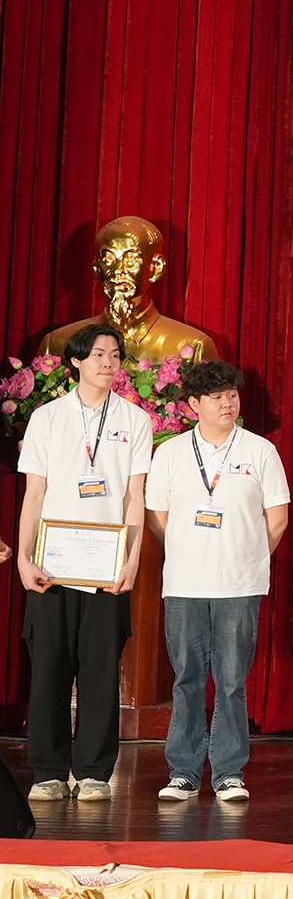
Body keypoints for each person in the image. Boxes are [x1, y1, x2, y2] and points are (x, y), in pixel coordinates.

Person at [10, 325, 149, 801]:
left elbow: (135, 496)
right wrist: (24, 558)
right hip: (52, 564)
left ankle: (93, 772)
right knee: (48, 667)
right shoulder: (47, 418)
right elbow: (34, 494)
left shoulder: (135, 419)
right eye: (98, 355)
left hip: (107, 567)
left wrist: (132, 559)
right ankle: (47, 772)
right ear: (76, 361)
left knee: (100, 671)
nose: (108, 363)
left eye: (115, 355)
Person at [144, 361, 290, 803]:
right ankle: (183, 772)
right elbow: (158, 517)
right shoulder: (170, 453)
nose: (227, 404)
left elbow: (277, 518)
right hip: (184, 583)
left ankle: (228, 772)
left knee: (231, 681)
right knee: (187, 678)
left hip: (239, 584)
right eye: (216, 397)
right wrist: (189, 550)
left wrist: (246, 556)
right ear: (193, 404)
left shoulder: (260, 450)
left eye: (232, 395)